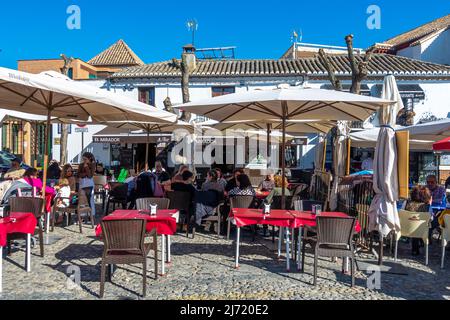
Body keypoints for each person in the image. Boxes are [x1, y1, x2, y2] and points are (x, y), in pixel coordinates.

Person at [405, 186, 432, 255]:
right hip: (421, 230)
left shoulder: (406, 203)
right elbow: (431, 219)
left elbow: (402, 214)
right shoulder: (427, 207)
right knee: (421, 225)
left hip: (406, 228)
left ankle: (415, 249)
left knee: (414, 224)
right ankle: (420, 243)